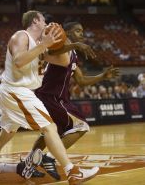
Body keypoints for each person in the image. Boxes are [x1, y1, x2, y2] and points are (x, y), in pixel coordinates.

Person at [0, 11, 99, 184]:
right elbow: (18, 61)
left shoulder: (39, 44)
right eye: (44, 20)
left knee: (7, 132)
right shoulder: (21, 36)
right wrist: (44, 45)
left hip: (21, 92)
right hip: (17, 90)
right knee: (49, 128)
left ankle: (24, 167)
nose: (46, 23)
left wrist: (69, 45)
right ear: (36, 21)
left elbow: (63, 62)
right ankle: (72, 171)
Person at [22, 22, 119, 176]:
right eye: (78, 31)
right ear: (66, 32)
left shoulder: (72, 53)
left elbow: (81, 80)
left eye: (82, 31)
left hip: (51, 96)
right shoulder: (60, 45)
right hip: (51, 96)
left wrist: (103, 76)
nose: (82, 34)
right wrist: (78, 44)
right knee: (81, 126)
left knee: (49, 133)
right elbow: (54, 51)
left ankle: (27, 164)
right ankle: (49, 158)